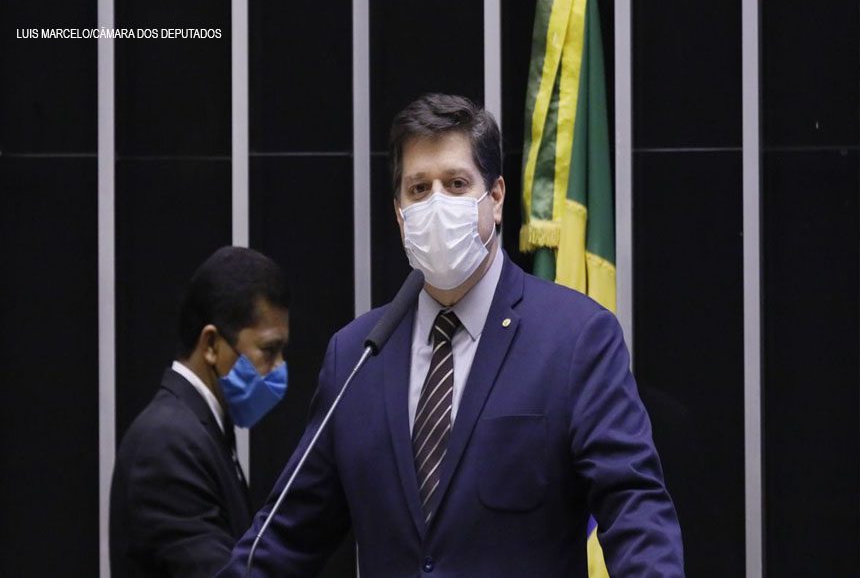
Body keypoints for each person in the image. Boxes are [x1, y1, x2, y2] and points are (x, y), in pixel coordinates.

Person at [219, 94, 684, 577]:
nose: (436, 203)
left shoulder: (575, 338)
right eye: (419, 189)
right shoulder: (357, 355)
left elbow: (635, 509)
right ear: (399, 212)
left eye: (456, 183)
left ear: (496, 198)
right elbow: (285, 537)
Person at [110, 246, 291, 577]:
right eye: (269, 350)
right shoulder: (167, 442)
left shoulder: (201, 430)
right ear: (211, 345)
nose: (279, 367)